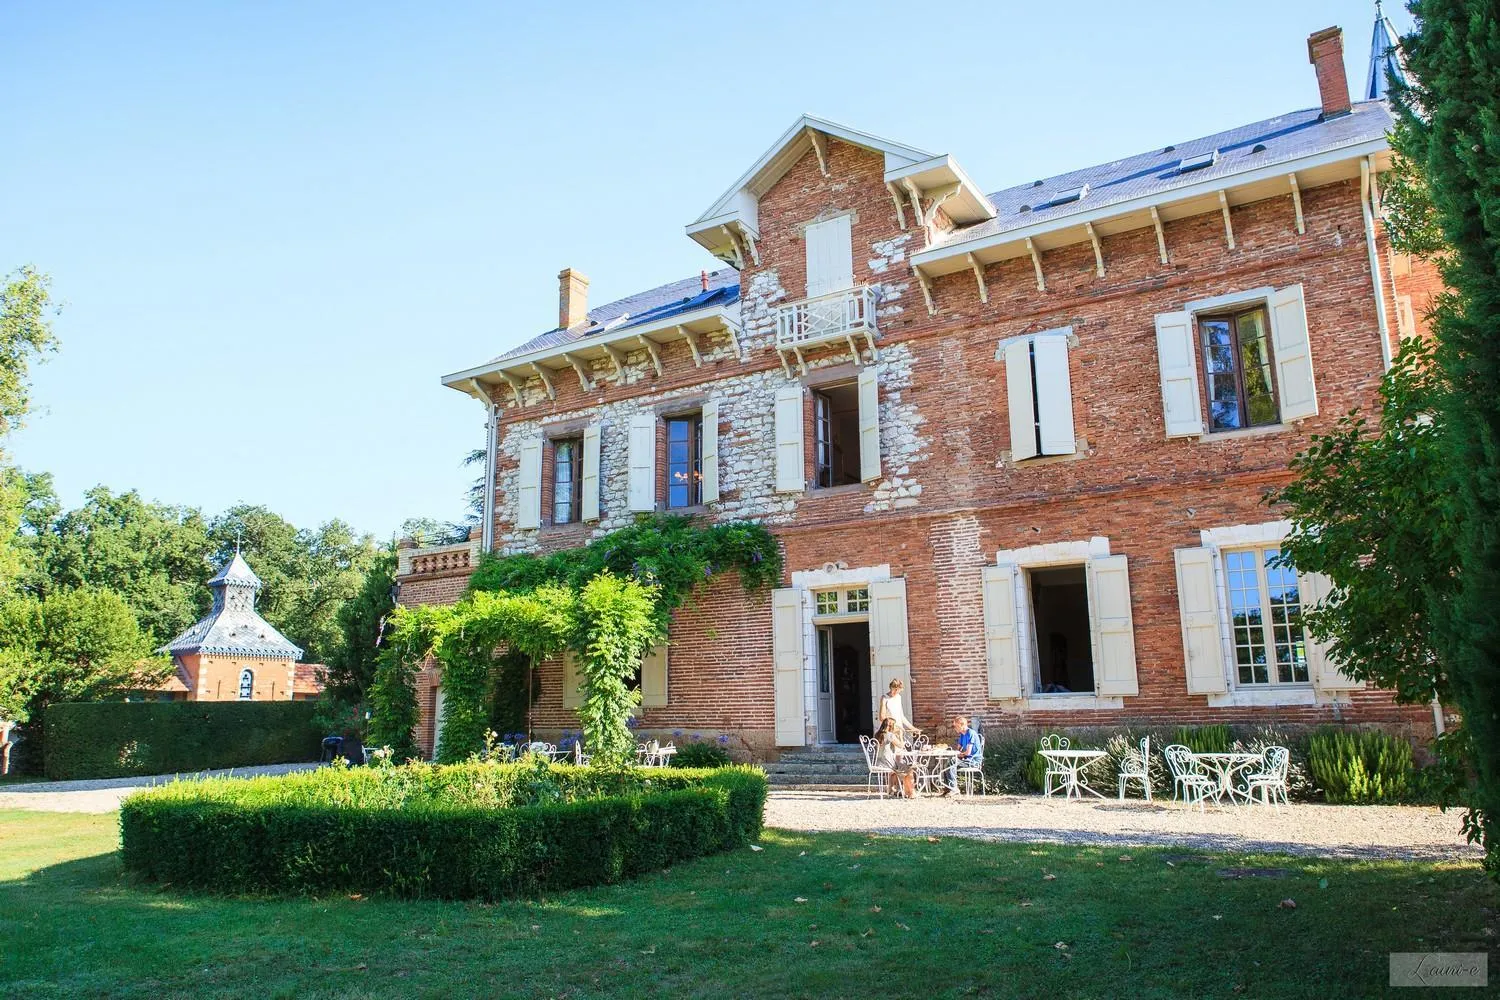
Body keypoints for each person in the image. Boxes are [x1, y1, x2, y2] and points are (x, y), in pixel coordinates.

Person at [940, 715, 981, 797]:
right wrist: (958, 753)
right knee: (947, 762)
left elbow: (968, 752)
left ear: (962, 725)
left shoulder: (971, 733)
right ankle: (948, 788)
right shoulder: (962, 735)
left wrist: (959, 754)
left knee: (952, 761)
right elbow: (959, 749)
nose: (955, 728)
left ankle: (954, 789)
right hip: (965, 759)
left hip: (972, 761)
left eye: (956, 726)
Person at [875, 718, 915, 798]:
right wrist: (900, 736)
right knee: (909, 769)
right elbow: (901, 745)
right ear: (891, 726)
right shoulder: (890, 735)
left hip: (879, 762)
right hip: (888, 763)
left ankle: (892, 789)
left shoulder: (877, 734)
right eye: (895, 725)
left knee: (898, 769)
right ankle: (910, 793)